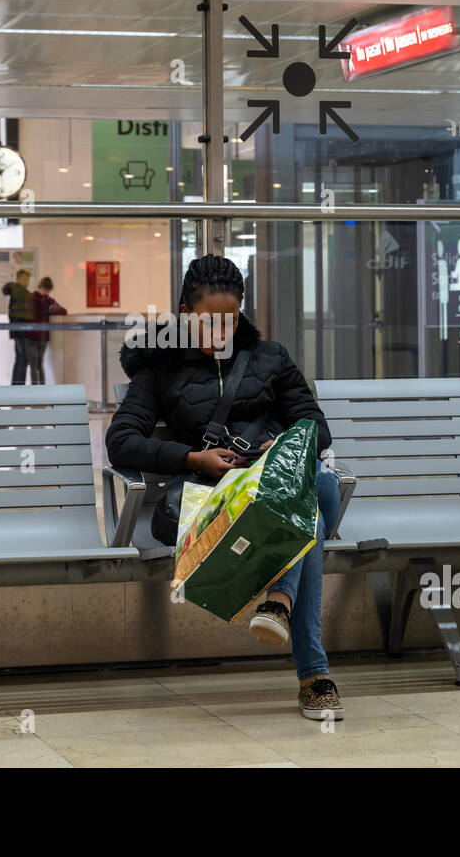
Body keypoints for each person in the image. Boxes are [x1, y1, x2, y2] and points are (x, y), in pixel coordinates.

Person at [105, 255, 344, 721]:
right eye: (208, 320)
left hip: (280, 480)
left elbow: (316, 426)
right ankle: (312, 670)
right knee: (307, 516)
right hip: (218, 504)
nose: (220, 330)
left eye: (230, 319)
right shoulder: (160, 369)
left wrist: (281, 447)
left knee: (306, 483)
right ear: (184, 312)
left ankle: (280, 601)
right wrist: (193, 458)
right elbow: (121, 441)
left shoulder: (270, 357)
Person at [27, 276, 67, 385]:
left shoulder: (30, 297)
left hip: (30, 336)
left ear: (39, 285)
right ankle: (43, 387)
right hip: (43, 336)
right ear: (50, 289)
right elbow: (63, 311)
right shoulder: (49, 301)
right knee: (40, 364)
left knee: (33, 366)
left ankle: (35, 389)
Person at [2, 269, 34, 384]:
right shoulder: (19, 291)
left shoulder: (16, 290)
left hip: (17, 328)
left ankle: (16, 385)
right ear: (18, 279)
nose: (27, 282)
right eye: (24, 279)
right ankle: (19, 386)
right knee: (23, 357)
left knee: (20, 357)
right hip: (21, 327)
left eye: (28, 280)